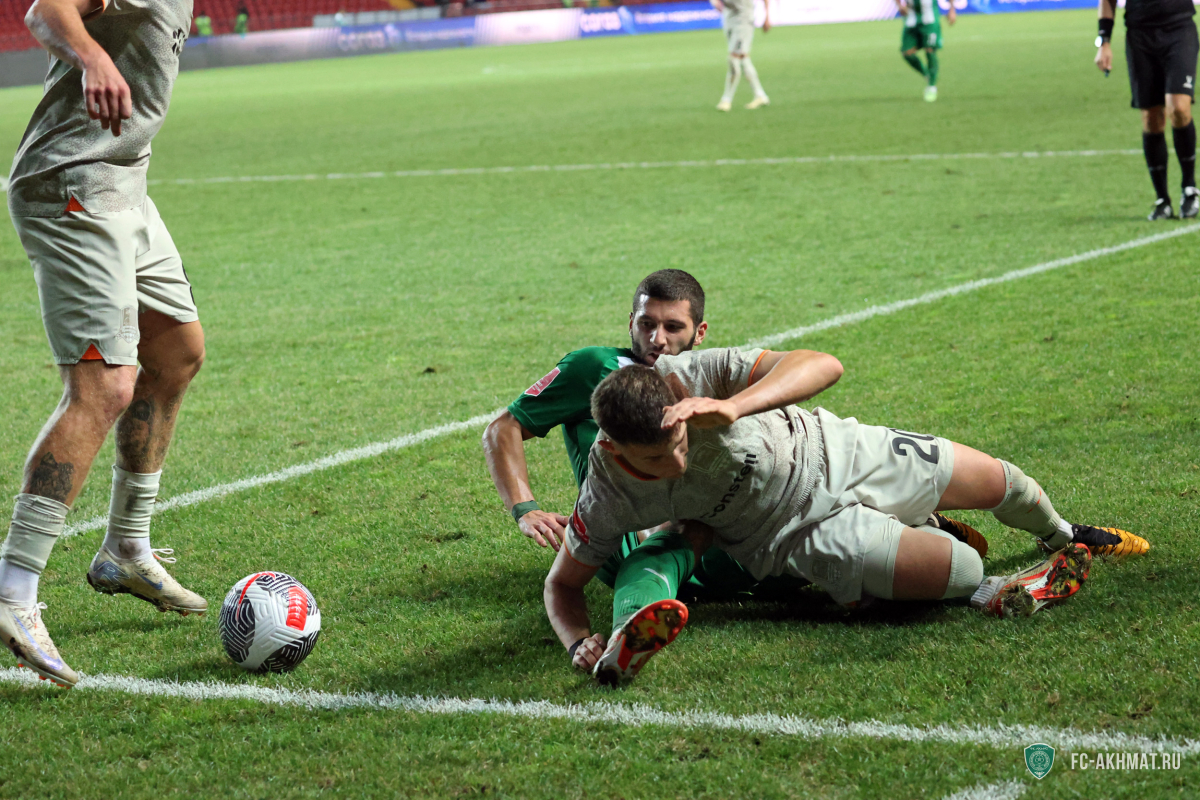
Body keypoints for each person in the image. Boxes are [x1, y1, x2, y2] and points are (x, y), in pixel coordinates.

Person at [544, 348, 1149, 686]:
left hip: (840, 450)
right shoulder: (607, 493)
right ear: (612, 449)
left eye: (678, 443)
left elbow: (824, 365)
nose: (676, 462)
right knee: (962, 570)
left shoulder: (688, 376)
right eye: (656, 458)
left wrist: (735, 406)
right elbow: (561, 585)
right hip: (795, 534)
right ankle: (982, 581)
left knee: (1001, 481)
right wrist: (577, 641)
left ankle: (1064, 535)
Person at [1, 0, 207, 689]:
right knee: (104, 387)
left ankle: (124, 547)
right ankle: (12, 587)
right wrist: (91, 57)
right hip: (71, 184)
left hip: (125, 183)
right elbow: (45, 10)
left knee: (176, 353)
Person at [484, 271, 821, 628]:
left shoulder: (700, 377)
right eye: (646, 324)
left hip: (712, 535)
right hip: (623, 536)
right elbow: (504, 427)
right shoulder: (594, 368)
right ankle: (637, 608)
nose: (657, 339)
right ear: (631, 322)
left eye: (673, 327)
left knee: (796, 549)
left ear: (699, 333)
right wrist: (525, 509)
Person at [1095, 0, 1199, 219]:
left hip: (1179, 29)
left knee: (1179, 108)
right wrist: (1104, 41)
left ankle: (1189, 189)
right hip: (1140, 35)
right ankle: (1162, 200)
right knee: (1151, 118)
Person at [712, 0, 770, 111]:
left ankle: (726, 100)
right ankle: (760, 95)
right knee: (743, 58)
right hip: (729, 18)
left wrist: (767, 16)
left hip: (743, 20)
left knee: (734, 58)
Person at [896, 0, 954, 103]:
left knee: (930, 50)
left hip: (930, 20)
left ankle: (932, 86)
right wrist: (900, 5)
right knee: (907, 53)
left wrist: (952, 9)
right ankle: (927, 74)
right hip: (911, 19)